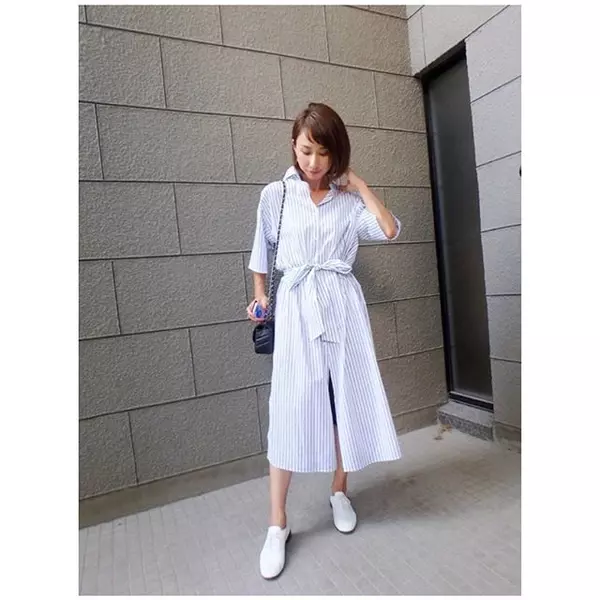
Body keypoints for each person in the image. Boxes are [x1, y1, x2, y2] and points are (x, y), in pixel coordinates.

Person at [247, 102, 402, 580]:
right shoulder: (276, 196)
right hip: (297, 308)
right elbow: (260, 253)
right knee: (289, 409)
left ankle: (339, 491)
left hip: (343, 309)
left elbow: (389, 229)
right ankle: (277, 523)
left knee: (343, 404)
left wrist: (359, 185)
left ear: (337, 155)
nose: (313, 162)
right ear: (293, 146)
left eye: (324, 153)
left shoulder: (348, 202)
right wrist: (260, 298)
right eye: (306, 150)